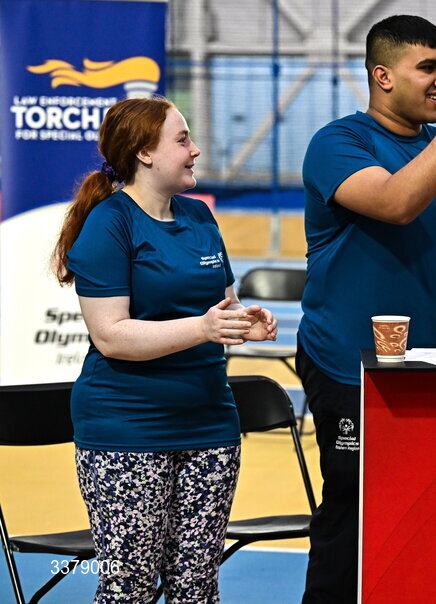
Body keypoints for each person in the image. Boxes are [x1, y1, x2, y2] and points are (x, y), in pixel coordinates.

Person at [297, 15, 436, 602]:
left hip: (432, 365)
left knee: (435, 510)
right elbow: (396, 203)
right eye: (429, 68)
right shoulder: (339, 143)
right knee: (354, 506)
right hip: (347, 366)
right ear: (382, 76)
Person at [51, 97, 278, 602]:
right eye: (182, 140)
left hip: (211, 425)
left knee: (196, 587)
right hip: (126, 428)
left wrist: (246, 321)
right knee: (129, 588)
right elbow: (110, 334)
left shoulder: (199, 217)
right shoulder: (111, 222)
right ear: (144, 154)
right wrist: (203, 327)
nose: (195, 150)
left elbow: (222, 305)